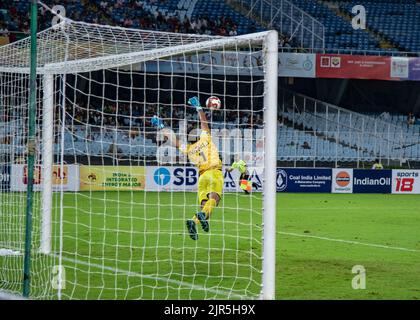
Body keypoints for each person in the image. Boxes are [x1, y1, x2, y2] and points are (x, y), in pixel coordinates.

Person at [151, 96, 224, 241]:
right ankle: (201, 217)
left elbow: (174, 140)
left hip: (202, 177)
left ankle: (194, 222)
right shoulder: (206, 139)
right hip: (214, 172)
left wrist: (161, 127)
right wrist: (199, 108)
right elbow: (204, 123)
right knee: (215, 199)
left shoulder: (189, 149)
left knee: (204, 206)